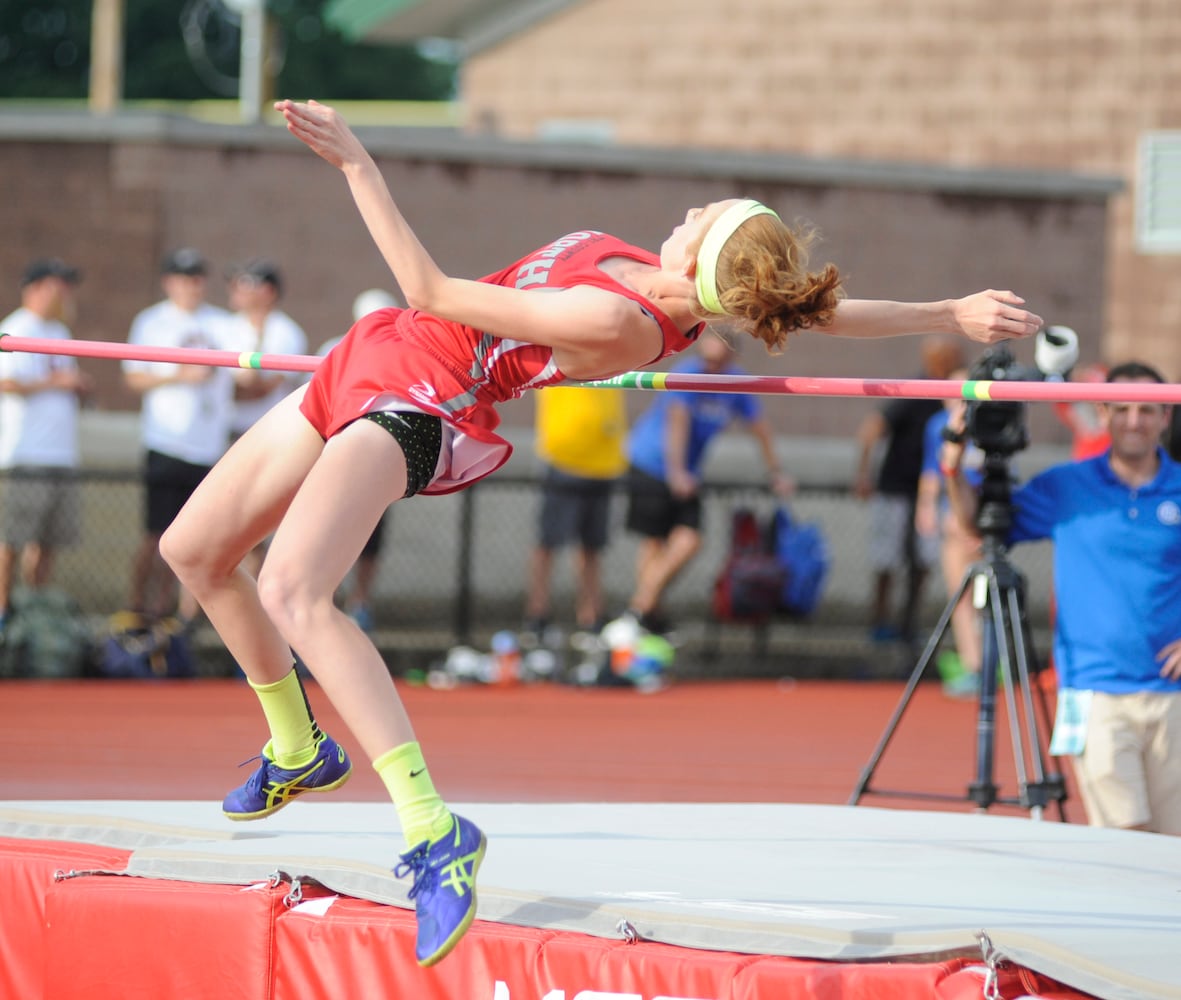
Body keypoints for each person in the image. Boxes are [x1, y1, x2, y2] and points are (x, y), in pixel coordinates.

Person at [158, 98, 1041, 967]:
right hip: (369, 357)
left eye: (707, 215)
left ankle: (434, 831)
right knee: (194, 552)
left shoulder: (619, 322)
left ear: (705, 260)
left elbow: (430, 290)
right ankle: (297, 746)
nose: (689, 209)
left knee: (293, 591)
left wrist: (359, 165)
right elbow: (807, 307)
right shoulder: (646, 270)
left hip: (424, 397)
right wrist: (944, 310)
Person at [941, 361, 1181, 835]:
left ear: (1166, 416)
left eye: (1148, 410)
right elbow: (977, 525)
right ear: (1104, 412)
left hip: (1171, 693)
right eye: (1123, 408)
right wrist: (952, 463)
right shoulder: (1066, 486)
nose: (1135, 420)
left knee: (1172, 846)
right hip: (1094, 690)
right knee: (1123, 839)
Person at [619, 329, 793, 634]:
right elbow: (677, 420)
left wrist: (775, 472)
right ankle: (646, 613)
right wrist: (676, 472)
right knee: (655, 540)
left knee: (689, 540)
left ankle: (639, 609)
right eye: (707, 359)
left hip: (684, 470)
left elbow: (759, 427)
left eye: (719, 361)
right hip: (651, 461)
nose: (711, 367)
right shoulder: (688, 373)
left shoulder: (734, 383)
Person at [122, 247, 234, 626]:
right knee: (156, 536)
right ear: (169, 281)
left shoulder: (222, 323)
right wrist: (179, 374)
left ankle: (183, 618)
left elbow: (246, 374)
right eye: (184, 277)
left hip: (209, 447)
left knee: (198, 540)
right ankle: (138, 607)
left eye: (197, 277)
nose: (191, 285)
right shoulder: (152, 322)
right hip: (167, 444)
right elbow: (134, 377)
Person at [853, 335, 966, 642]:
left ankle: (908, 623)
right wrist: (864, 474)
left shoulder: (957, 394)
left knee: (924, 561)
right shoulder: (914, 390)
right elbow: (872, 429)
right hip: (897, 486)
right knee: (887, 558)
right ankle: (880, 622)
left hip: (932, 491)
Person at [0, 258, 91, 636]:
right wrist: (58, 383)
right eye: (58, 285)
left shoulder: (60, 331)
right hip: (25, 455)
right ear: (35, 288)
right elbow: (6, 382)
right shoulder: (17, 327)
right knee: (10, 539)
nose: (65, 294)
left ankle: (32, 612)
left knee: (49, 541)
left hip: (61, 454)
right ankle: (3, 614)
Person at [315, 288, 402, 632]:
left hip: (378, 460)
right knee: (331, 531)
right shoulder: (336, 350)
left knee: (369, 538)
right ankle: (324, 603)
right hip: (338, 454)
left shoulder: (399, 353)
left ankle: (359, 603)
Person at [223, 258, 309, 580]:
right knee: (220, 527)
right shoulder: (224, 326)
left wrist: (224, 386)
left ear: (268, 291)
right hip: (224, 438)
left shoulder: (287, 332)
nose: (235, 290)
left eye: (245, 283)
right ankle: (189, 618)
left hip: (270, 441)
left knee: (256, 530)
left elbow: (257, 390)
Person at [522, 381, 627, 641]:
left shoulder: (611, 359)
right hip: (564, 462)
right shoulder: (563, 354)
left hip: (603, 464)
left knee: (591, 547)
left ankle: (592, 615)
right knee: (548, 543)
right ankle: (537, 615)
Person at [914, 373, 984, 697]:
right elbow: (933, 470)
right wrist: (926, 507)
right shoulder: (937, 426)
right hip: (954, 520)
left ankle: (983, 663)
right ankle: (974, 663)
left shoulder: (987, 425)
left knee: (984, 599)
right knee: (962, 597)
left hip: (982, 522)